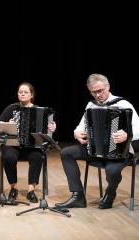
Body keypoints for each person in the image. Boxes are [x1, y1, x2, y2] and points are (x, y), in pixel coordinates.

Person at [55, 73, 139, 209]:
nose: (98, 95)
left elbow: (138, 128)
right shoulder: (91, 105)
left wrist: (127, 135)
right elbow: (80, 126)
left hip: (119, 152)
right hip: (94, 150)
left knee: (111, 171)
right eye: (94, 92)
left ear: (108, 87)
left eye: (100, 91)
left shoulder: (123, 104)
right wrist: (77, 133)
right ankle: (78, 196)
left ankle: (110, 193)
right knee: (66, 153)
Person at [0, 82, 56, 203]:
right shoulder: (11, 108)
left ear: (32, 95)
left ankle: (31, 190)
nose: (22, 94)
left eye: (25, 92)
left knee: (38, 156)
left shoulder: (40, 111)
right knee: (8, 157)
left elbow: (47, 129)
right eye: (20, 92)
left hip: (32, 146)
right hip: (13, 145)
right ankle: (14, 188)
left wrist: (52, 127)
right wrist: (9, 125)